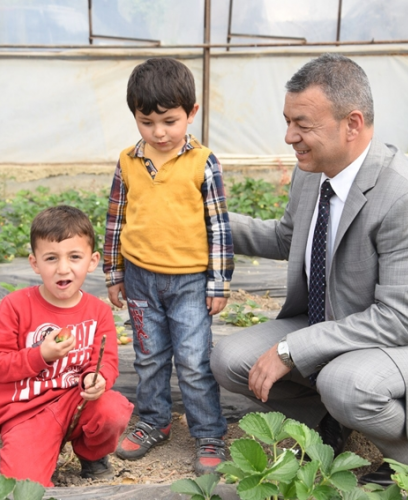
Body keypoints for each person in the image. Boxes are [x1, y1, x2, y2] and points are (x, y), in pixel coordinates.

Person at [210, 53, 408, 486]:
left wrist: (290, 349)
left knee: (344, 383)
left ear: (352, 124)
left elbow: (399, 320)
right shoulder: (313, 172)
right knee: (230, 360)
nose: (289, 136)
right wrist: (211, 224)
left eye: (303, 124)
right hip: (337, 318)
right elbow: (286, 238)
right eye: (288, 120)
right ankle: (329, 422)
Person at [104, 57, 234, 476]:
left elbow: (218, 226)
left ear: (191, 114)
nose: (159, 132)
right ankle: (153, 420)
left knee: (195, 361)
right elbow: (115, 219)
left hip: (190, 282)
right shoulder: (128, 162)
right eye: (147, 122)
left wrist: (219, 282)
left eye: (169, 121)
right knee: (149, 355)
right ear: (135, 118)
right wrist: (114, 272)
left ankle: (209, 432)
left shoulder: (203, 162)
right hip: (140, 278)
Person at [0, 206, 133, 486]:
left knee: (112, 408)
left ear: (92, 260)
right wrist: (40, 355)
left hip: (76, 403)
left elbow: (106, 360)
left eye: (75, 257)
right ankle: (37, 449)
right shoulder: (15, 306)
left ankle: (91, 453)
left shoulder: (98, 311)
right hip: (27, 412)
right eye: (51, 258)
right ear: (35, 263)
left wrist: (96, 377)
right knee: (22, 486)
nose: (63, 268)